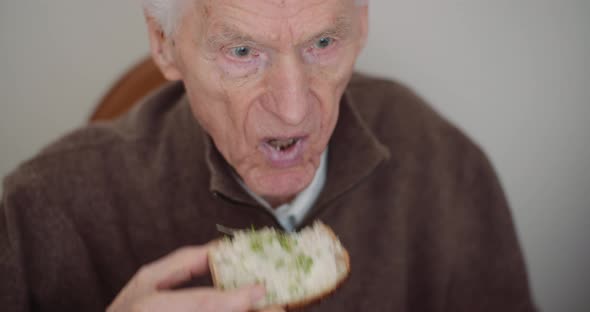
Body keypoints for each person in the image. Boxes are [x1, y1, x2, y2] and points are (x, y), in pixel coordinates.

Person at [0, 0, 537, 311]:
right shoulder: (38, 210)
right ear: (163, 42)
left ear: (363, 24)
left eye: (323, 44)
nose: (294, 110)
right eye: (241, 52)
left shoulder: (445, 165)